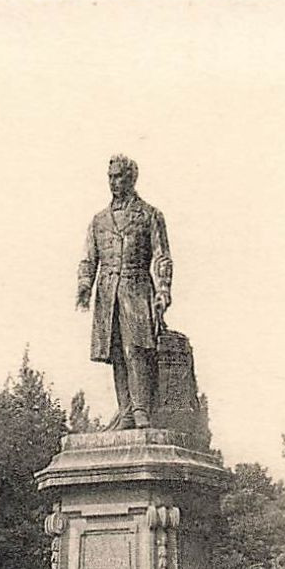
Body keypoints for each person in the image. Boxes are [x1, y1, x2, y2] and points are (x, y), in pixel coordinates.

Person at [76, 154, 173, 429]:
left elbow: (162, 256)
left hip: (137, 289)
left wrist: (163, 289)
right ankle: (126, 411)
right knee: (116, 352)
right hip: (108, 295)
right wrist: (84, 283)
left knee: (136, 350)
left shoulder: (150, 215)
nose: (114, 182)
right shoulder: (99, 220)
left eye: (119, 176)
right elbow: (88, 258)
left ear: (132, 178)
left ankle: (141, 409)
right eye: (110, 177)